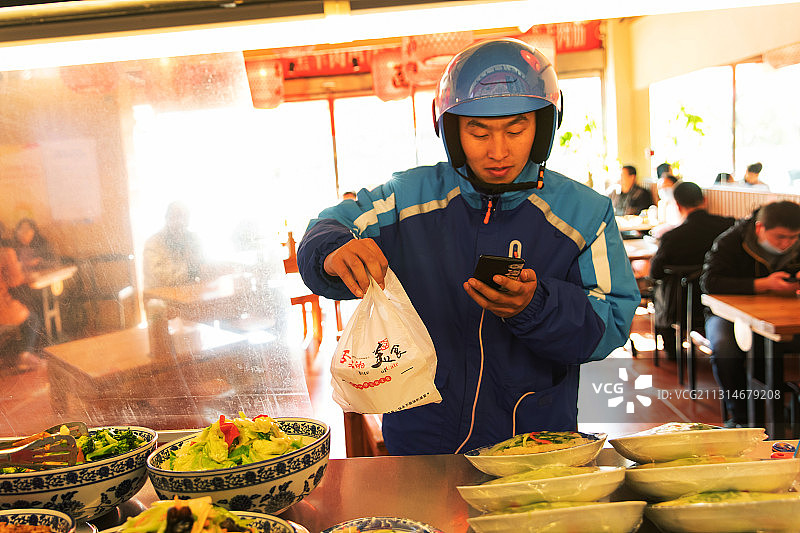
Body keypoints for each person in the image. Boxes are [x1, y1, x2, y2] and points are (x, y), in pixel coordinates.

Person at [297, 38, 640, 455]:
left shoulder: (585, 213)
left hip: (535, 441)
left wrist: (534, 306)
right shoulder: (408, 196)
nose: (498, 151)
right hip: (423, 437)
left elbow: (612, 321)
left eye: (517, 129)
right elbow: (330, 224)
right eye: (478, 131)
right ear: (452, 132)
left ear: (545, 126)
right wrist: (331, 248)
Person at [700, 200, 800, 427]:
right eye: (780, 237)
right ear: (759, 228)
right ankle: (742, 417)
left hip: (784, 313)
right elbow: (710, 282)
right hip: (727, 314)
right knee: (725, 347)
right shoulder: (732, 241)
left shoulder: (797, 241)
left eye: (793, 238)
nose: (787, 244)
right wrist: (764, 285)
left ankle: (789, 413)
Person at [649, 182, 735, 360]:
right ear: (704, 200)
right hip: (722, 297)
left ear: (677, 206)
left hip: (681, 306)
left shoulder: (672, 237)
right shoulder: (728, 226)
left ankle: (671, 350)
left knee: (660, 288)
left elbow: (655, 272)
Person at [143, 201, 204, 289]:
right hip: (158, 298)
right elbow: (161, 277)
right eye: (177, 216)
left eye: (185, 217)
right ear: (167, 218)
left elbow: (204, 265)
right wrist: (191, 271)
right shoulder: (153, 243)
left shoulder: (193, 239)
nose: (181, 221)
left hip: (187, 294)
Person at [0, 242, 41, 372]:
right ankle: (25, 356)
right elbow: (15, 280)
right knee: (32, 319)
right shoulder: (6, 252)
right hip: (2, 307)